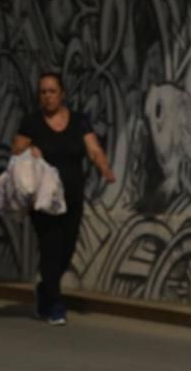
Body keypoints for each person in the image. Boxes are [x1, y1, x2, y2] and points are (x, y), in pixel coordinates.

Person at [11, 72, 115, 326]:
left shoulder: (79, 121)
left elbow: (93, 148)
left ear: (62, 94)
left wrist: (104, 167)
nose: (47, 96)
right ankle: (56, 303)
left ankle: (44, 291)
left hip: (72, 197)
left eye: (52, 91)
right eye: (43, 92)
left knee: (66, 249)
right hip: (43, 200)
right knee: (50, 247)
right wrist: (29, 150)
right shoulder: (32, 122)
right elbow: (15, 151)